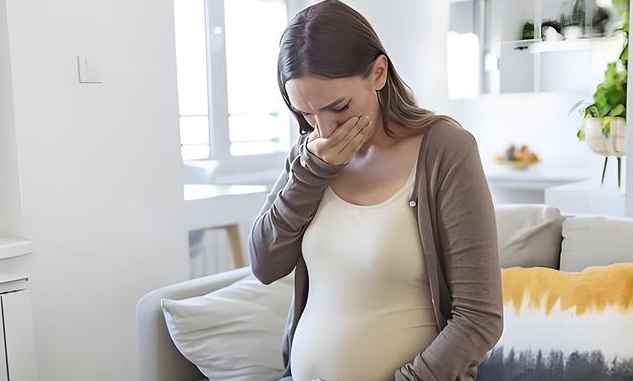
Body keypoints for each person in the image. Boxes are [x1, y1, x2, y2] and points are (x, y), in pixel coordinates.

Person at [248, 1, 503, 381]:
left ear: (378, 73)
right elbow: (265, 265)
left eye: (339, 107)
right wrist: (312, 173)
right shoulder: (308, 156)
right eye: (305, 113)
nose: (324, 129)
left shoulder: (445, 150)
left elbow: (479, 317)